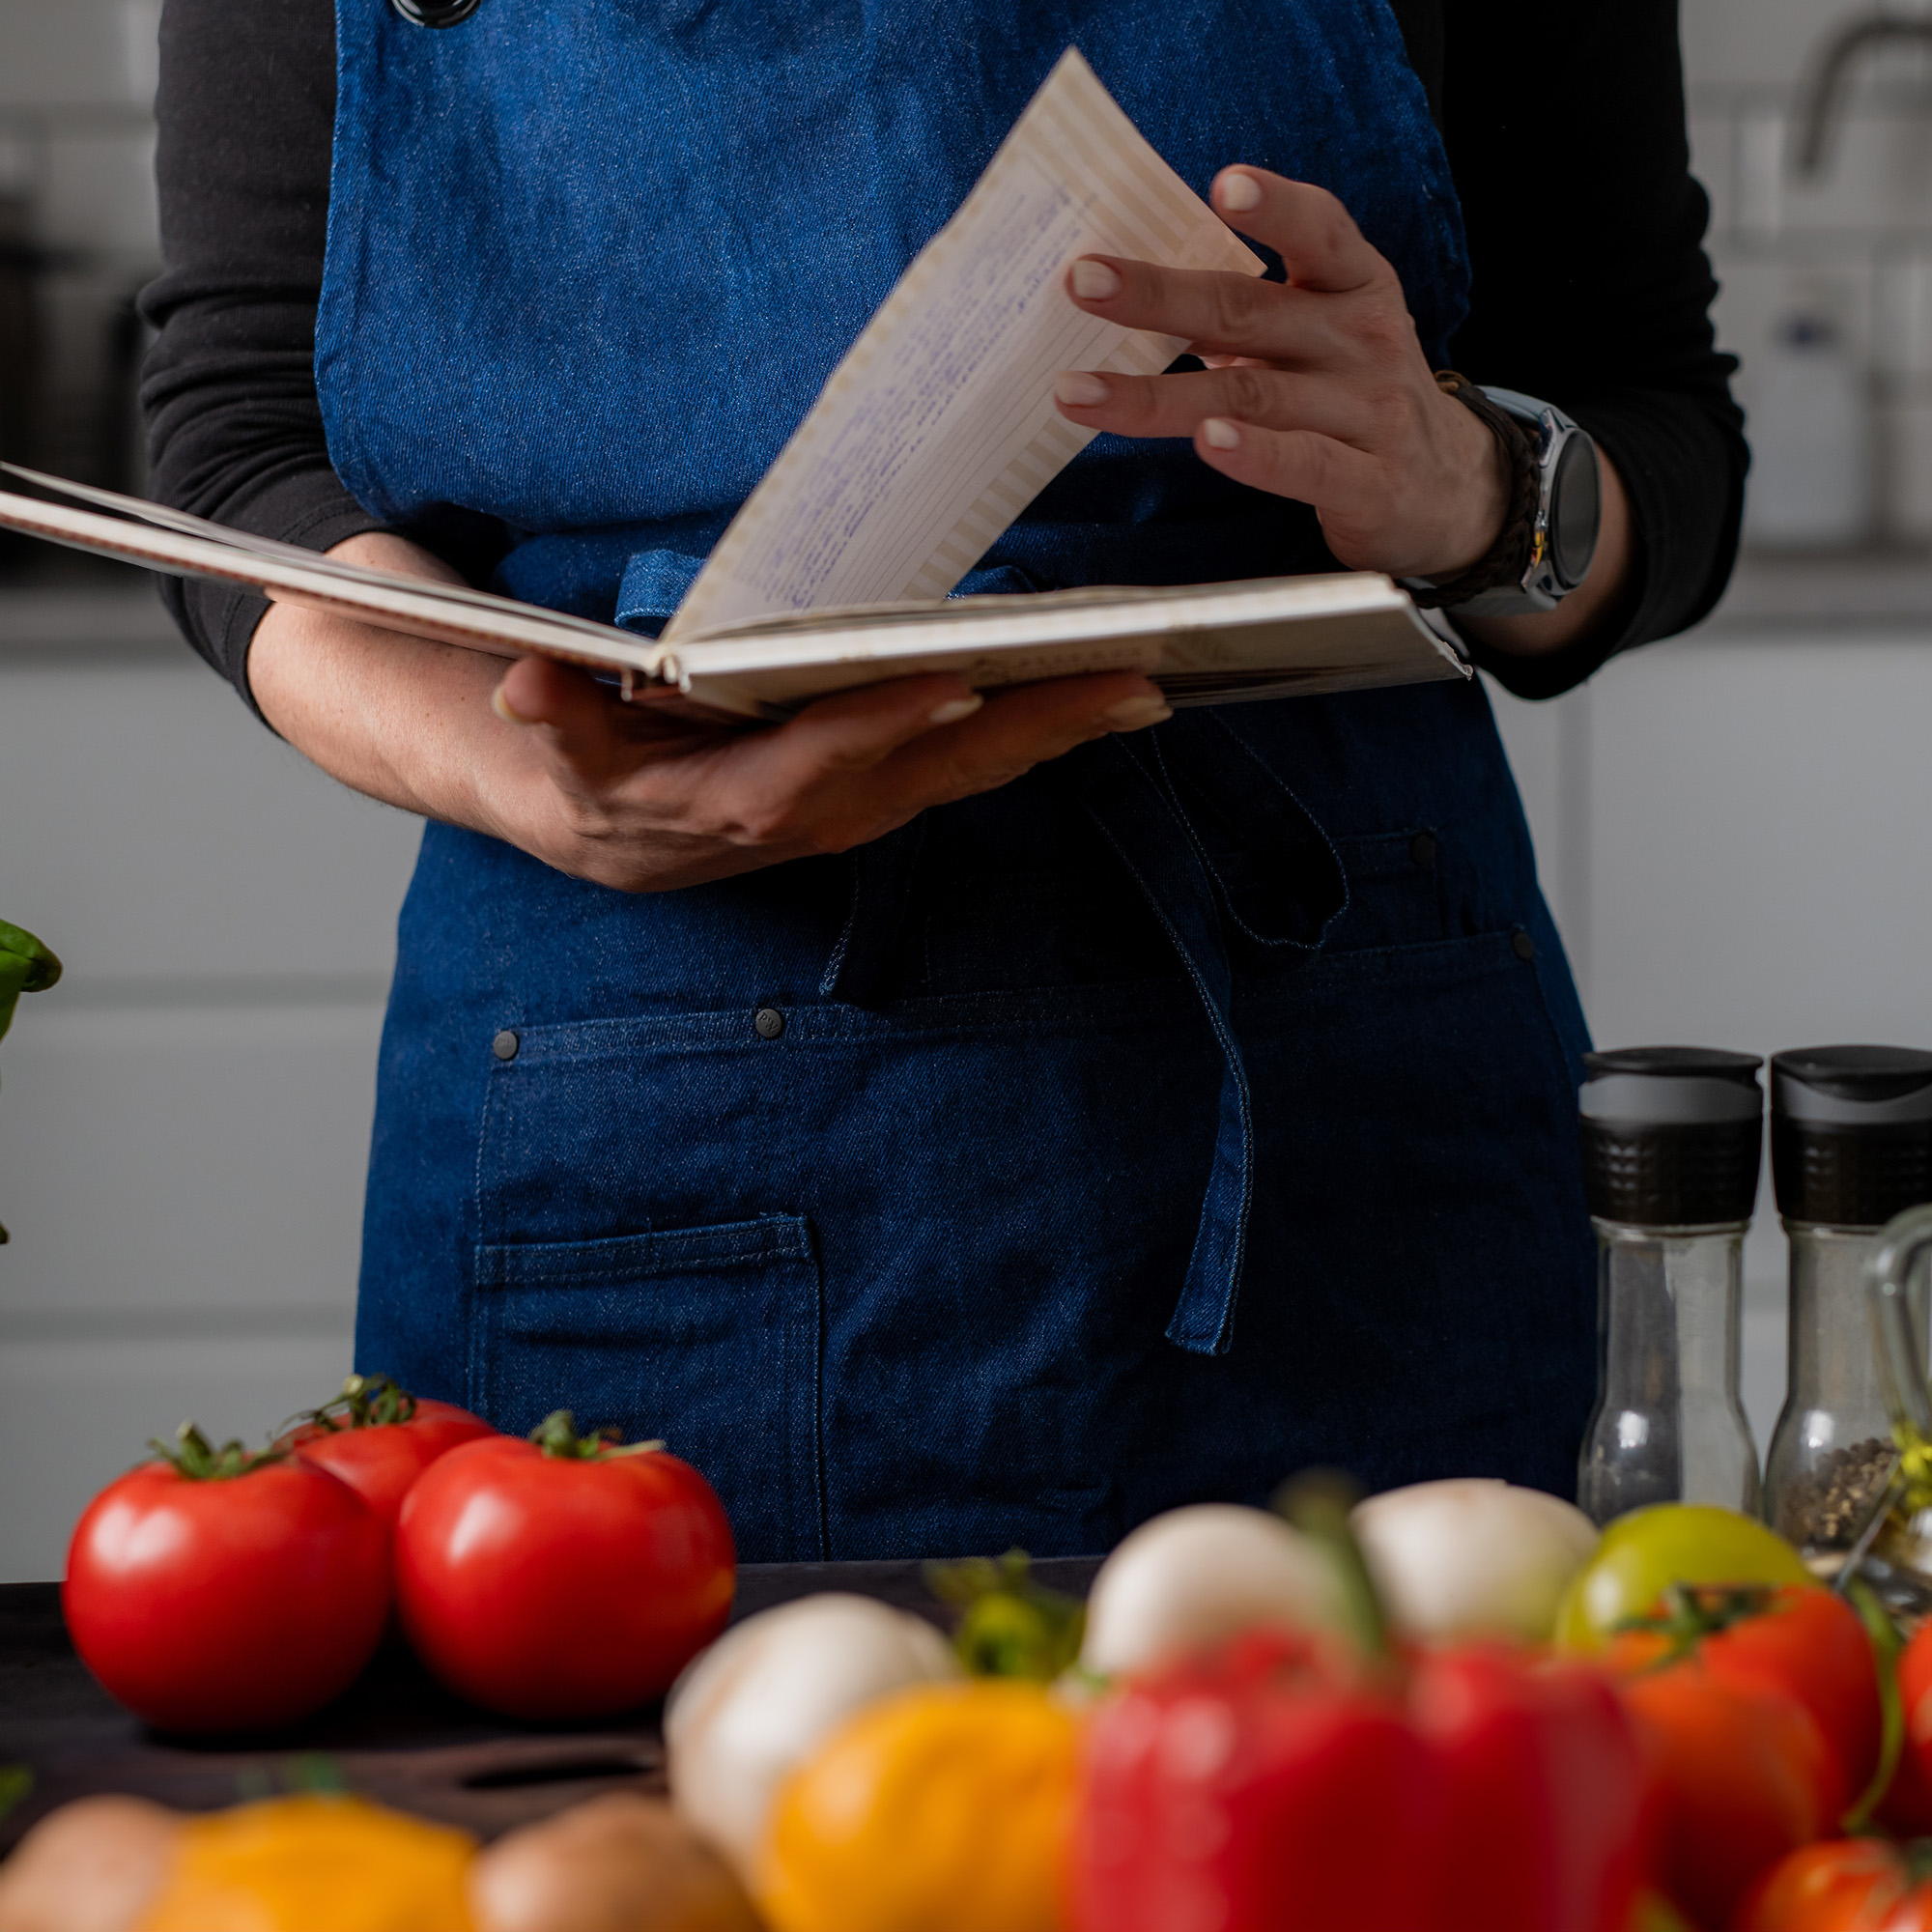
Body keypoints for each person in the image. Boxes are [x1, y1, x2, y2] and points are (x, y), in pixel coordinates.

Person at [141, 0, 1744, 1562]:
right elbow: (237, 445)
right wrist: (526, 775)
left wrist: (1476, 483)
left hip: (1359, 1092)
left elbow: (1654, 423)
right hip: (637, 1078)